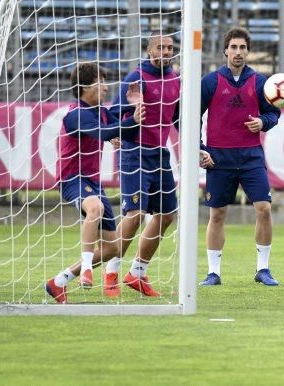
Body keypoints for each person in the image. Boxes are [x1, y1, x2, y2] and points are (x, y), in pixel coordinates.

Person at [45, 63, 144, 303]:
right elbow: (104, 132)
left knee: (113, 248)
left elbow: (119, 128)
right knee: (95, 208)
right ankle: (87, 268)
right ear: (85, 87)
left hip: (93, 182)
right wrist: (124, 125)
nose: (105, 86)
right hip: (72, 179)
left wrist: (134, 108)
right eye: (100, 81)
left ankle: (58, 282)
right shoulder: (75, 114)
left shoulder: (100, 110)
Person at [102, 33, 186, 297]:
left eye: (170, 48)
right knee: (135, 214)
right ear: (149, 51)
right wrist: (117, 130)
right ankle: (111, 272)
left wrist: (198, 145)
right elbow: (112, 112)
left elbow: (178, 118)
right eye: (160, 47)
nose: (165, 51)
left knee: (167, 215)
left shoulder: (175, 80)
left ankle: (136, 273)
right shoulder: (135, 78)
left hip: (160, 155)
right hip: (134, 153)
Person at [198, 27, 281, 287]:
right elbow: (188, 117)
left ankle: (263, 269)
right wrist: (200, 148)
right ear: (225, 50)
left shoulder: (259, 82)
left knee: (264, 209)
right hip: (218, 157)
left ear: (248, 51)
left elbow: (273, 114)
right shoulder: (210, 82)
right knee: (218, 214)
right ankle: (213, 272)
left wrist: (262, 122)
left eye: (242, 47)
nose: (238, 52)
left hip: (250, 156)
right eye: (233, 47)